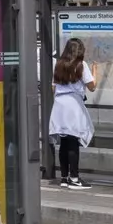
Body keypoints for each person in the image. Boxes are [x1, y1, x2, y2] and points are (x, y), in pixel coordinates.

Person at [46, 38, 96, 190]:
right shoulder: (81, 65)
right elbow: (92, 86)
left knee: (64, 142)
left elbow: (53, 88)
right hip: (74, 104)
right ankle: (74, 178)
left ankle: (64, 177)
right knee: (74, 141)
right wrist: (95, 71)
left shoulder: (58, 64)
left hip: (60, 105)